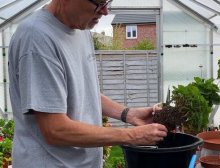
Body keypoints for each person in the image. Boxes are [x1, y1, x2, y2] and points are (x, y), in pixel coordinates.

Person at [8, 0, 168, 168]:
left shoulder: (80, 28)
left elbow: (81, 90)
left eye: (107, 2)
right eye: (99, 3)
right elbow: (54, 130)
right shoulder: (37, 39)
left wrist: (129, 114)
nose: (105, 11)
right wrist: (131, 136)